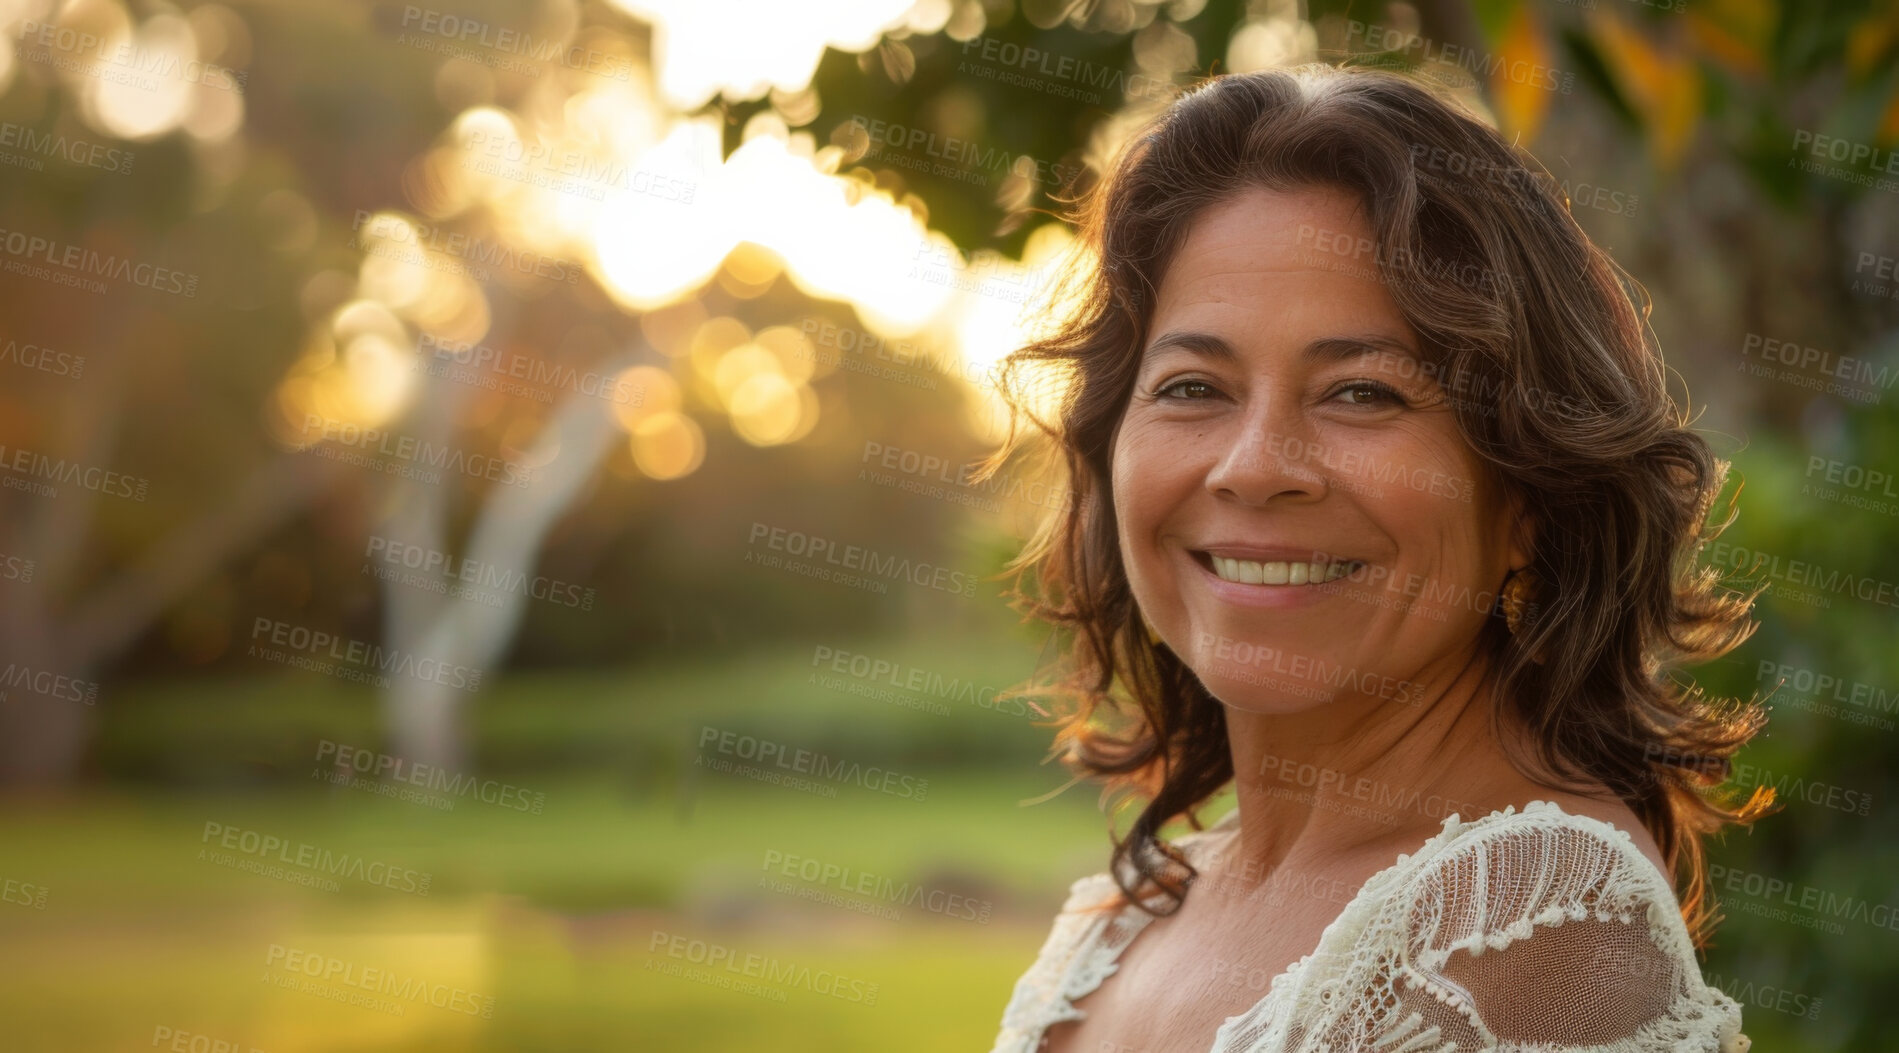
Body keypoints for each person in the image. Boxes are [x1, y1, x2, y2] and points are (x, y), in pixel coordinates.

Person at [977, 63, 1774, 1053]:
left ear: (1530, 488)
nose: (1255, 467)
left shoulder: (1525, 924)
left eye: (1363, 393)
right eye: (1192, 388)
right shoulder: (1136, 918)